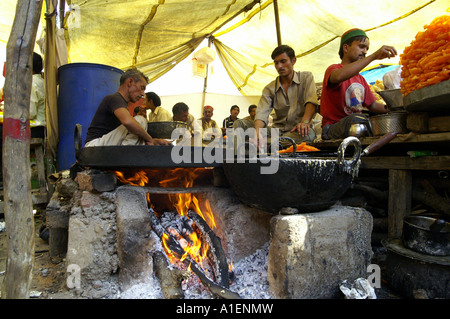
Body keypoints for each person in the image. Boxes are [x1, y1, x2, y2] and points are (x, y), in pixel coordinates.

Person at [320, 28, 397, 140]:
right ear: (346, 48)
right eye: (361, 47)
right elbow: (339, 77)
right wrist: (374, 56)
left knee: (366, 121)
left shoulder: (360, 79)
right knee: (357, 120)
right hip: (333, 128)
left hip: (355, 125)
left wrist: (395, 109)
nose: (365, 51)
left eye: (367, 48)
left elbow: (372, 105)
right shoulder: (333, 69)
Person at [253, 45, 319, 147]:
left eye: (283, 61)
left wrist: (304, 122)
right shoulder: (269, 89)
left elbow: (311, 102)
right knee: (241, 125)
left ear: (293, 61)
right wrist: (257, 132)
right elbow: (261, 113)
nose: (279, 66)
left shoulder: (306, 78)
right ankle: (267, 145)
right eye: (276, 63)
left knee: (307, 135)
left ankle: (269, 145)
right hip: (276, 131)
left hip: (298, 131)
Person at [85, 68, 170, 146]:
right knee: (140, 121)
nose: (143, 94)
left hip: (103, 143)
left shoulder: (122, 103)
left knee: (137, 131)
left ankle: (127, 154)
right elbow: (128, 122)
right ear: (130, 82)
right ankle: (126, 155)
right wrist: (150, 139)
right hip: (94, 145)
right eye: (142, 88)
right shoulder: (115, 98)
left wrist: (153, 141)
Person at [30, 52, 46, 139]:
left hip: (35, 129)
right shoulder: (41, 81)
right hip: (42, 128)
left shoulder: (31, 82)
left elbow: (30, 113)